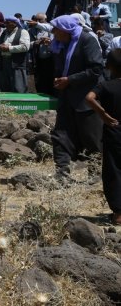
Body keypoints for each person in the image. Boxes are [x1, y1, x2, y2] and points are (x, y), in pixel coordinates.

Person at [49, 15, 104, 183]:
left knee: (92, 138)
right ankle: (62, 172)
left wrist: (70, 80)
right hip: (67, 97)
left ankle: (95, 175)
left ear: (66, 29)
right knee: (60, 135)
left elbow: (96, 69)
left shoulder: (87, 40)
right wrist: (60, 80)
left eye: (56, 29)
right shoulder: (61, 45)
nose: (53, 32)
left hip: (86, 99)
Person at [85, 49, 121, 224]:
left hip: (114, 132)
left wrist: (103, 114)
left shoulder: (106, 85)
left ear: (109, 66)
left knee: (113, 171)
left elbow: (90, 98)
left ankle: (119, 213)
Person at [0, 16, 31, 93]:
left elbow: (25, 47)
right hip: (4, 62)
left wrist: (9, 48)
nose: (5, 24)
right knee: (5, 87)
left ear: (14, 23)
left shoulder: (23, 32)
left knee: (19, 87)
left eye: (8, 23)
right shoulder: (3, 33)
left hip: (17, 63)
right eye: (5, 22)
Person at [28, 13, 54, 95]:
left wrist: (49, 41)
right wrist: (36, 43)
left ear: (45, 20)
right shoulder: (31, 31)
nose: (38, 22)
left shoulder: (51, 29)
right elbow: (27, 44)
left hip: (50, 59)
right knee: (38, 80)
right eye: (36, 20)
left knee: (49, 79)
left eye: (40, 20)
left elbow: (56, 42)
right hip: (37, 59)